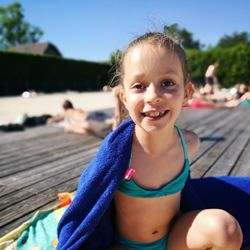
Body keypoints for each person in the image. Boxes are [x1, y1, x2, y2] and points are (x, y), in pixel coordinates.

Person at [57, 33, 247, 250]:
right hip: (125, 245)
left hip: (175, 239)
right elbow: (86, 204)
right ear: (125, 99)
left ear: (187, 92)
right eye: (139, 85)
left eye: (167, 83)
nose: (153, 96)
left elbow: (187, 194)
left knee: (225, 229)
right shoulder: (119, 152)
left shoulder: (189, 143)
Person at [47, 100, 113, 138]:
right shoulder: (77, 109)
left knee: (103, 126)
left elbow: (55, 119)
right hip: (92, 114)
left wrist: (51, 120)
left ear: (64, 108)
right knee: (109, 122)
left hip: (88, 119)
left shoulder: (67, 112)